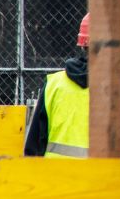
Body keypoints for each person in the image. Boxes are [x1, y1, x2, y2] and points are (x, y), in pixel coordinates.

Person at [24, 14, 91, 158]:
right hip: (102, 178)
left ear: (82, 45)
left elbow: (33, 147)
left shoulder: (54, 84)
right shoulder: (117, 90)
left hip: (55, 177)